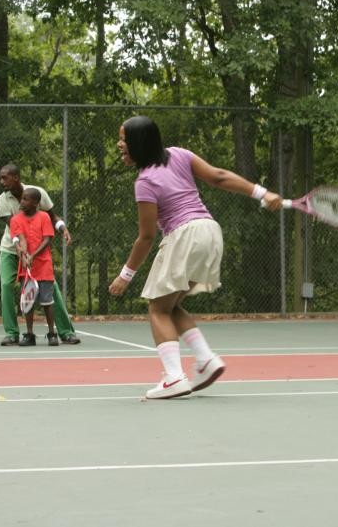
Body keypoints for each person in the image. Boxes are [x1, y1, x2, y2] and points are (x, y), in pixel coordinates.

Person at [108, 115, 282, 399]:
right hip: (210, 233)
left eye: (124, 140)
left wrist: (125, 275)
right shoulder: (179, 154)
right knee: (171, 306)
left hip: (184, 235)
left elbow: (147, 236)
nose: (119, 145)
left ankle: (174, 378)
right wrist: (262, 193)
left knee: (157, 309)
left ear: (138, 144)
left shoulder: (144, 182)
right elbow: (219, 177)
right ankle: (206, 359)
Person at [0, 163, 81, 346]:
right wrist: (22, 252)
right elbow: (16, 230)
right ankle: (12, 333)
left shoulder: (37, 193)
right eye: (0, 178)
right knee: (6, 286)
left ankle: (65, 332)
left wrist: (63, 228)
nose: (1, 182)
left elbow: (52, 217)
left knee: (51, 289)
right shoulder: (1, 201)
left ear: (16, 177)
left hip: (36, 253)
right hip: (11, 250)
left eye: (5, 178)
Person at [10, 188, 59, 346]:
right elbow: (18, 241)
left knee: (47, 302)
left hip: (44, 265)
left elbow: (47, 240)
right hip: (27, 267)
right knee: (28, 302)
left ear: (36, 203)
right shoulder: (16, 220)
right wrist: (23, 255)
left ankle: (52, 333)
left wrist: (33, 255)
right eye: (21, 198)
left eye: (25, 199)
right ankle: (30, 335)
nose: (22, 202)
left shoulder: (44, 216)